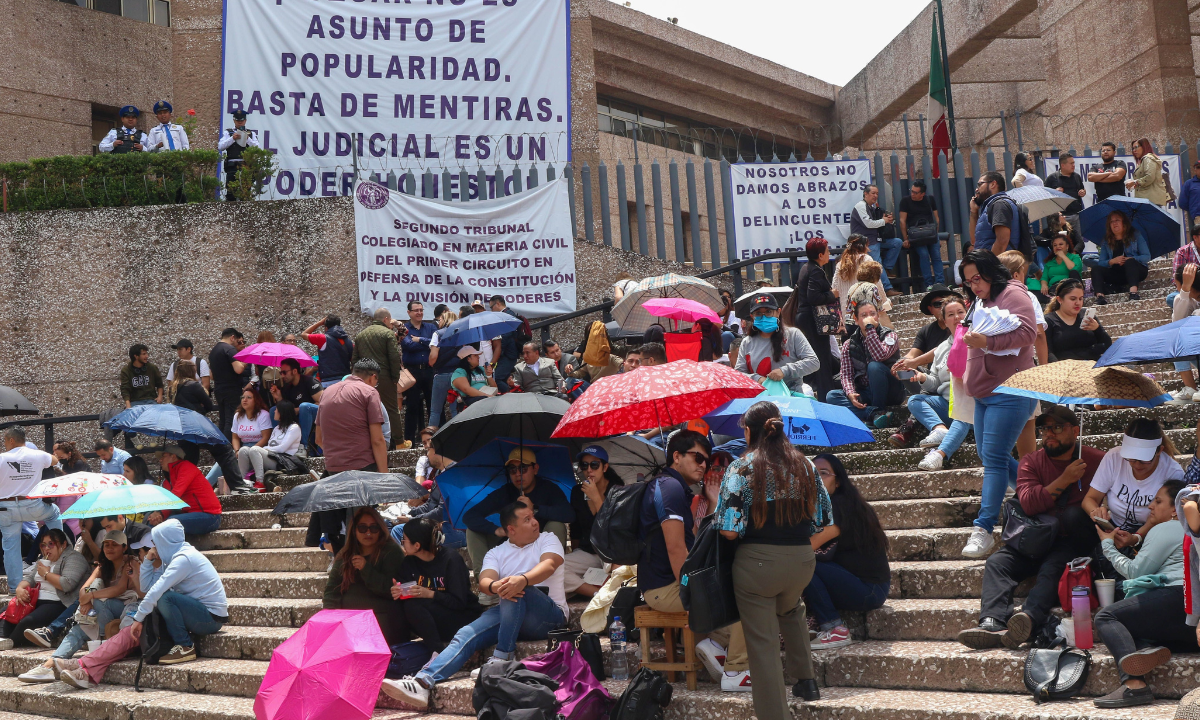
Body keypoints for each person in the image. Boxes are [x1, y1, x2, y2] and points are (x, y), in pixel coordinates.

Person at [382, 499, 567, 708]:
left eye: (533, 516)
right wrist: (498, 586)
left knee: (516, 588)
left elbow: (550, 564)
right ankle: (423, 682)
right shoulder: (496, 552)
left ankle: (502, 658)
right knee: (465, 633)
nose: (535, 522)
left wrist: (521, 580)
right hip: (510, 613)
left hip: (549, 617)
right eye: (527, 519)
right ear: (511, 529)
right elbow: (485, 581)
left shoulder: (548, 539)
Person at [956, 406, 1104, 649]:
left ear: (1075, 431)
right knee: (997, 563)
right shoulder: (1031, 461)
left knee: (1053, 567)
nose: (1049, 434)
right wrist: (1065, 478)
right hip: (1032, 536)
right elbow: (1029, 503)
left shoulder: (1096, 459)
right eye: (1045, 428)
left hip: (1068, 541)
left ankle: (1027, 619)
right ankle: (992, 622)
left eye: (1057, 427)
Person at [711, 402, 826, 710]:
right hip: (802, 561)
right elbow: (822, 519)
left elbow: (729, 531)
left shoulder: (742, 467)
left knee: (763, 643)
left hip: (758, 566)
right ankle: (807, 682)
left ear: (749, 432)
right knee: (791, 609)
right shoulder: (805, 464)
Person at [51, 519, 229, 688]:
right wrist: (148, 563)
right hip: (186, 612)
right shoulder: (172, 560)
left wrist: (138, 617)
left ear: (166, 541)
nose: (154, 548)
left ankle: (185, 645)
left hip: (210, 617)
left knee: (162, 600)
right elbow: (147, 587)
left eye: (156, 543)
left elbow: (155, 592)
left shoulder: (184, 559)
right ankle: (86, 669)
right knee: (131, 633)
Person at [638, 431, 749, 691]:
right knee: (748, 598)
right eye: (697, 458)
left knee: (743, 592)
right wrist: (691, 597)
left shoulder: (675, 488)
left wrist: (711, 503)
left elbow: (694, 545)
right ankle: (735, 671)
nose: (703, 465)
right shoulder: (669, 488)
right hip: (664, 588)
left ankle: (715, 647)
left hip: (669, 582)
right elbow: (676, 549)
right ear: (676, 456)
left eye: (706, 461)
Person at [959, 250, 1038, 558]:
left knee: (993, 457)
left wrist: (988, 343)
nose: (973, 285)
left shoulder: (1014, 293)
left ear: (992, 271)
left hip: (1011, 389)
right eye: (968, 281)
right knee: (989, 454)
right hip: (983, 391)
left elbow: (1028, 333)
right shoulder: (980, 301)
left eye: (976, 278)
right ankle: (1035, 497)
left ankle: (983, 528)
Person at [1093, 480, 1194, 708]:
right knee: (1129, 630)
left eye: (1158, 501)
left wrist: (1107, 544)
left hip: (1177, 597)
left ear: (1176, 508)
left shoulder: (1168, 527)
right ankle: (1147, 649)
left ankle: (1134, 686)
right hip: (1192, 623)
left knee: (1107, 617)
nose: (1150, 506)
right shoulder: (1192, 530)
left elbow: (1135, 571)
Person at [462, 447, 573, 601]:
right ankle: (488, 586)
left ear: (535, 469)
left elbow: (569, 514)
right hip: (512, 540)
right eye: (512, 470)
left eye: (523, 468)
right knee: (472, 531)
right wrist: (496, 530)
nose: (517, 474)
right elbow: (470, 516)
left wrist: (535, 508)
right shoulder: (505, 492)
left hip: (541, 544)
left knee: (556, 525)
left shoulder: (548, 489)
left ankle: (550, 579)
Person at [20, 531, 134, 677]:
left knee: (97, 602)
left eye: (114, 545)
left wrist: (91, 597)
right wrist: (86, 599)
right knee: (77, 630)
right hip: (103, 609)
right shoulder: (102, 566)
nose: (109, 548)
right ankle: (48, 666)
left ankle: (100, 644)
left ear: (124, 547)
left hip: (125, 607)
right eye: (106, 545)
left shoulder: (130, 562)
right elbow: (83, 590)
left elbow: (120, 589)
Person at [805, 453, 888, 650]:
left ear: (839, 481)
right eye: (811, 475)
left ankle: (834, 628)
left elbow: (809, 546)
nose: (816, 479)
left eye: (823, 473)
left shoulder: (841, 506)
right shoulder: (823, 506)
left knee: (803, 563)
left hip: (870, 591)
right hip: (854, 583)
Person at [1084, 419, 1183, 553]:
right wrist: (1095, 512)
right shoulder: (1114, 457)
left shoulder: (1172, 472)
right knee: (1074, 518)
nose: (1136, 465)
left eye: (1144, 460)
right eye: (1131, 458)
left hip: (1150, 531)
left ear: (1159, 451)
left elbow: (1167, 518)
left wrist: (1136, 537)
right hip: (1113, 525)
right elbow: (1089, 499)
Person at [896, 297, 972, 467]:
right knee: (915, 400)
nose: (957, 317)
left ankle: (939, 454)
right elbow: (936, 384)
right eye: (951, 314)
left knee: (963, 411)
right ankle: (940, 429)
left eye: (961, 312)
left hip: (973, 406)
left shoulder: (975, 339)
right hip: (946, 403)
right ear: (945, 321)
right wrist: (923, 378)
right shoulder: (942, 348)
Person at [388, 517, 481, 653]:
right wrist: (397, 591)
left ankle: (437, 654)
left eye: (404, 540)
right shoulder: (409, 562)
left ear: (417, 545)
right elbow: (405, 591)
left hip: (461, 618)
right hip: (430, 619)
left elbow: (459, 603)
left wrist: (429, 594)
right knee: (396, 606)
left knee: (413, 606)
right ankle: (400, 653)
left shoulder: (451, 560)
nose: (402, 544)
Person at [322, 507, 406, 643]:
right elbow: (332, 590)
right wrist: (331, 617)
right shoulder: (346, 554)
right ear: (354, 530)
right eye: (362, 528)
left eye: (374, 528)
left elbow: (391, 590)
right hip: (350, 618)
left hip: (382, 618)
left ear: (380, 529)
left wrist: (366, 569)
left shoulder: (392, 552)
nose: (368, 532)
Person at [0, 529, 88, 651]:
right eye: (43, 545)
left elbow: (67, 584)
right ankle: (3, 638)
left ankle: (11, 641)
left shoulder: (73, 558)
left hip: (58, 602)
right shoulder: (44, 560)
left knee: (28, 621)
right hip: (37, 600)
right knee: (6, 612)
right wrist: (20, 588)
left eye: (51, 544)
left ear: (63, 544)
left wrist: (46, 574)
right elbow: (31, 578)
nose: (47, 548)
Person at [0, 428, 61, 590]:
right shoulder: (38, 455)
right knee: (54, 513)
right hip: (32, 505)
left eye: (5, 441)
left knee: (10, 547)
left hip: (6, 508)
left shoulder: (1, 458)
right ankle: (60, 548)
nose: (4, 444)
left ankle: (15, 588)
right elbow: (55, 460)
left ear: (11, 440)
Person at [826, 301, 904, 428]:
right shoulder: (849, 344)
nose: (869, 318)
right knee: (832, 396)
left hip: (891, 390)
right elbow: (846, 374)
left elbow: (880, 356)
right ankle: (874, 413)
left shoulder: (890, 335)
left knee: (874, 366)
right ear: (856, 319)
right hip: (866, 391)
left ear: (878, 316)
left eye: (872, 314)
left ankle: (878, 410)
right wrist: (851, 393)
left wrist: (870, 329)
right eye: (864, 315)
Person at [313, 359, 390, 475]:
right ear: (373, 377)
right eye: (376, 382)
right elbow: (377, 440)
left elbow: (318, 438)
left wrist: (339, 458)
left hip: (333, 468)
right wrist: (385, 475)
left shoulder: (326, 392)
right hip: (363, 466)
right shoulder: (369, 392)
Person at [566, 446, 624, 598]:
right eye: (584, 465)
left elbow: (615, 527)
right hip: (589, 551)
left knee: (621, 571)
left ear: (605, 467)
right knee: (554, 567)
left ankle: (609, 590)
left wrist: (596, 497)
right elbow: (576, 528)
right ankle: (598, 594)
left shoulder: (618, 491)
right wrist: (575, 551)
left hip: (613, 550)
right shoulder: (578, 492)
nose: (589, 470)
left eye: (594, 465)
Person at [734, 292, 819, 395]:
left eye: (768, 312)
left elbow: (813, 362)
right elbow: (738, 374)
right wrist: (757, 378)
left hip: (791, 396)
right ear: (752, 317)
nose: (764, 317)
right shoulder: (747, 342)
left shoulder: (793, 335)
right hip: (759, 398)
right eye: (758, 313)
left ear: (778, 313)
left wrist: (785, 371)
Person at [786, 238, 838, 401]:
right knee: (822, 360)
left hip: (806, 319)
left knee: (819, 358)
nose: (829, 253)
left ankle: (822, 393)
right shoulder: (815, 270)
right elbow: (813, 296)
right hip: (813, 320)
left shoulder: (806, 268)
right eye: (827, 251)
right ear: (821, 254)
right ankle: (827, 398)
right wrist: (832, 294)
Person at [352, 308, 405, 449]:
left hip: (363, 378)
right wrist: (395, 377)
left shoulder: (360, 335)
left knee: (365, 409)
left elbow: (355, 360)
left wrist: (356, 379)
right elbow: (394, 357)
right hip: (384, 376)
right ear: (386, 319)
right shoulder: (388, 334)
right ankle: (399, 442)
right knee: (391, 408)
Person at [148, 446, 222, 535]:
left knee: (170, 523)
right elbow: (167, 501)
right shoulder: (168, 480)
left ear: (173, 457)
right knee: (152, 524)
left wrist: (159, 512)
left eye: (163, 456)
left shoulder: (186, 467)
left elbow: (175, 495)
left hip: (209, 516)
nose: (160, 460)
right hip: (189, 514)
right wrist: (158, 516)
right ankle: (147, 547)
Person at [206, 388, 271, 488]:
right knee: (225, 459)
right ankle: (205, 485)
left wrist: (252, 450)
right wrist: (236, 450)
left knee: (246, 452)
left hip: (258, 449)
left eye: (249, 397)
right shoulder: (238, 415)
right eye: (243, 397)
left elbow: (266, 437)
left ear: (256, 400)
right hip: (242, 449)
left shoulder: (263, 415)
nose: (245, 400)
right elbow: (235, 437)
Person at [849, 185, 901, 296]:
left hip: (876, 239)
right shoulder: (861, 206)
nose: (875, 196)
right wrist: (884, 221)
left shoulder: (872, 207)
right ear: (865, 194)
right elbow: (868, 223)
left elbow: (878, 223)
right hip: (866, 242)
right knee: (877, 263)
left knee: (897, 242)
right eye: (873, 193)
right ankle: (887, 288)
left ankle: (887, 269)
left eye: (877, 193)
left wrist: (887, 220)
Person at [1044, 279, 1112, 362]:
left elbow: (1108, 344)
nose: (1078, 303)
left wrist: (1097, 329)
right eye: (1073, 299)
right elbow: (1048, 352)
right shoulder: (1049, 320)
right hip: (1065, 369)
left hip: (1092, 365)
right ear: (1060, 299)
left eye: (1081, 299)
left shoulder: (1087, 315)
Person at [1093, 210, 1150, 303]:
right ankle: (1100, 297)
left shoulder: (1135, 235)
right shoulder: (1106, 241)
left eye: (1117, 220)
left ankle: (1133, 293)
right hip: (1117, 273)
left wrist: (1130, 259)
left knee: (1130, 262)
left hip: (1136, 271)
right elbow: (1101, 262)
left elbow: (1147, 256)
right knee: (1096, 269)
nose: (1114, 223)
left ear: (1124, 222)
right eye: (1111, 221)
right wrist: (1112, 261)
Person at [400, 301, 438, 443]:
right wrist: (426, 344)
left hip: (429, 370)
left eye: (421, 310)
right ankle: (409, 440)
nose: (419, 313)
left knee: (432, 405)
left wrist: (420, 340)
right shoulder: (404, 329)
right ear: (409, 312)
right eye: (416, 310)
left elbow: (436, 343)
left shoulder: (431, 327)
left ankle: (437, 437)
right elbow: (408, 345)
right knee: (412, 406)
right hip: (412, 371)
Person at [238, 401, 301, 483]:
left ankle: (260, 482)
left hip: (282, 461)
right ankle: (242, 482)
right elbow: (270, 445)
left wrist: (265, 449)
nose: (274, 411)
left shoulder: (294, 427)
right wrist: (266, 449)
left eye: (277, 410)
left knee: (254, 449)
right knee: (243, 450)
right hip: (272, 456)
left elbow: (282, 449)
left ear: (282, 412)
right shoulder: (276, 428)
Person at [896, 180, 943, 289]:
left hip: (931, 233)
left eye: (915, 192)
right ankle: (929, 284)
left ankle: (940, 282)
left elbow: (936, 218)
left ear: (922, 194)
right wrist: (905, 238)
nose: (912, 194)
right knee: (924, 255)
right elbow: (902, 221)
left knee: (936, 256)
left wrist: (937, 234)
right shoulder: (906, 201)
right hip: (916, 235)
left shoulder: (929, 199)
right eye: (911, 191)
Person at [269, 358, 322, 449]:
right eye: (280, 373)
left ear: (294, 371)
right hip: (298, 417)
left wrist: (298, 410)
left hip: (317, 415)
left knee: (304, 406)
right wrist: (279, 398)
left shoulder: (309, 381)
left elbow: (323, 404)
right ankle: (278, 441)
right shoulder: (287, 388)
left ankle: (303, 446)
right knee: (274, 410)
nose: (282, 376)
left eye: (284, 372)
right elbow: (286, 409)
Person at [208, 328, 250, 439]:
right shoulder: (229, 349)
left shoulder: (213, 351)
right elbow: (239, 369)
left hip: (219, 389)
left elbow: (211, 376)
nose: (237, 344)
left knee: (223, 419)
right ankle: (228, 448)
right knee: (231, 419)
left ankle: (220, 446)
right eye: (237, 341)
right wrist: (246, 361)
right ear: (232, 337)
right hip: (231, 389)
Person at [1044, 155, 1087, 254]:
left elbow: (1082, 189)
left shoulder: (1076, 176)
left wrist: (1082, 192)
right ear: (1063, 165)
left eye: (1074, 163)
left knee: (1078, 242)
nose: (1073, 165)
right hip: (1061, 217)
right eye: (1071, 163)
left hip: (1076, 215)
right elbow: (1044, 196)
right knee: (1060, 242)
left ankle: (1076, 263)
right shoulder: (1052, 178)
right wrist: (1055, 191)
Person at [969, 171, 1020, 254]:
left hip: (999, 264)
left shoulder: (999, 205)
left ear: (993, 184)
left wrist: (991, 265)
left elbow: (1002, 241)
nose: (976, 189)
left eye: (980, 184)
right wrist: (974, 212)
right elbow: (974, 241)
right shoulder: (989, 206)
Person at [427, 311, 461, 428]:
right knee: (455, 409)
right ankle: (459, 433)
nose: (439, 322)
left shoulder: (438, 334)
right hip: (458, 376)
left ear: (445, 320)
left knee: (435, 411)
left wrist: (431, 363)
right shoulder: (461, 334)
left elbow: (433, 357)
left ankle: (431, 440)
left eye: (440, 320)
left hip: (441, 374)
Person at [217, 109, 260, 200]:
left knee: (245, 193)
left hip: (246, 166)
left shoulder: (251, 134)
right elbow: (220, 146)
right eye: (237, 120)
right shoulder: (228, 133)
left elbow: (258, 149)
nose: (240, 122)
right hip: (232, 166)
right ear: (234, 120)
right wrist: (233, 138)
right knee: (231, 193)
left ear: (245, 120)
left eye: (242, 120)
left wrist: (247, 139)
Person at [302, 315, 355, 389]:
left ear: (326, 327)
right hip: (345, 381)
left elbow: (304, 334)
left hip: (328, 382)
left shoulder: (323, 339)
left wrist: (320, 323)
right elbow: (354, 361)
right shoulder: (349, 342)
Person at [119, 344, 163, 409]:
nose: (147, 356)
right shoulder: (126, 370)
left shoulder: (152, 368)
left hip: (151, 400)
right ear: (136, 356)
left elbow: (160, 384)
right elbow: (125, 389)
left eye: (146, 354)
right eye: (144, 354)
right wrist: (128, 405)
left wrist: (159, 397)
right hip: (135, 402)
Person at [1126, 137, 1167, 206]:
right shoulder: (1144, 160)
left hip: (1150, 201)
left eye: (1136, 147)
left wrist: (1135, 182)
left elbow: (1150, 177)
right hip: (1147, 200)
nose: (1134, 150)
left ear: (1144, 147)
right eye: (1133, 148)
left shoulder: (1148, 159)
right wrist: (1135, 184)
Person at [1180, 162, 1200, 230]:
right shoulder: (1189, 183)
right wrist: (1194, 210)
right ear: (1195, 169)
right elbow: (1182, 203)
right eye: (1198, 167)